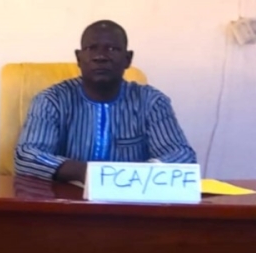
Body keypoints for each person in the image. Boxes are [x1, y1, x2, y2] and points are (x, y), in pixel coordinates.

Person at [14, 20, 196, 181]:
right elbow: (27, 156)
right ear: (79, 58)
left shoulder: (152, 102)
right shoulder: (51, 100)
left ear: (127, 59)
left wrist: (132, 175)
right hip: (66, 201)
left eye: (112, 49)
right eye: (91, 48)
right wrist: (88, 173)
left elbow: (182, 156)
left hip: (130, 201)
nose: (100, 56)